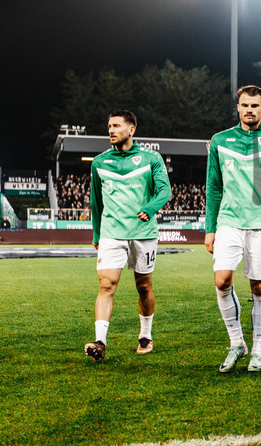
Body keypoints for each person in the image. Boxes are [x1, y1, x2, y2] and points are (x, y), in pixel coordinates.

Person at [205, 85, 261, 373]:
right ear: (238, 107)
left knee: (260, 287)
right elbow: (214, 187)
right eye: (244, 105)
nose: (249, 110)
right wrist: (210, 228)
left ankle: (258, 351)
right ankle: (237, 343)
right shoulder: (220, 141)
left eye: (255, 106)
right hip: (229, 221)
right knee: (222, 281)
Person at [85, 109, 171, 361]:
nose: (110, 130)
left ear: (131, 129)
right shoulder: (99, 162)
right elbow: (96, 203)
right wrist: (97, 233)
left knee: (143, 286)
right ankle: (100, 342)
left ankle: (145, 335)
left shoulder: (151, 158)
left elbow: (165, 191)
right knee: (106, 284)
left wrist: (149, 208)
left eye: (116, 126)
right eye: (109, 126)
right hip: (112, 233)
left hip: (143, 234)